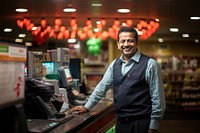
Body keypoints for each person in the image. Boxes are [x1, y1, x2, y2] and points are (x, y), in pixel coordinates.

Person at [68, 26, 166, 133]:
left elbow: (158, 98)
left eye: (130, 41)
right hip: (120, 123)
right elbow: (102, 87)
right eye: (123, 41)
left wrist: (153, 126)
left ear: (137, 43)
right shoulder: (115, 64)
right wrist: (86, 107)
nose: (126, 44)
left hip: (141, 123)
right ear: (118, 45)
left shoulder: (150, 64)